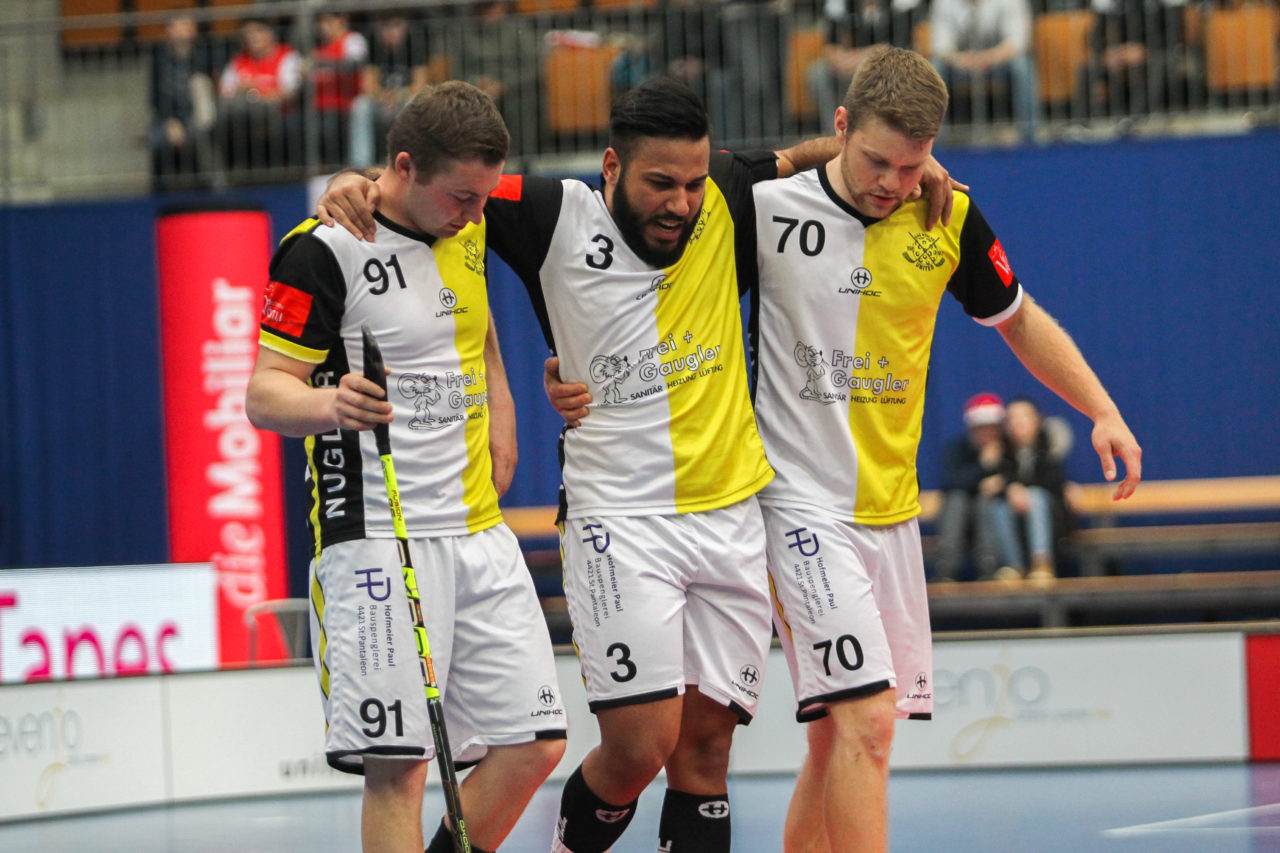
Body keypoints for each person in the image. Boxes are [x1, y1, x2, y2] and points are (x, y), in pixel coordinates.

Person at [316, 76, 959, 853]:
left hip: (729, 516)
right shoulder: (549, 213)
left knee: (705, 752)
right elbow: (438, 188)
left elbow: (822, 152)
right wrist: (355, 184)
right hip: (618, 518)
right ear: (613, 167)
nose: (681, 203)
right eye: (661, 183)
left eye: (692, 183)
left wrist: (909, 166)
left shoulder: (726, 190)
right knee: (640, 745)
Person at [547, 47, 1140, 852]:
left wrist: (1102, 407)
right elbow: (648, 288)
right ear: (839, 128)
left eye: (911, 163)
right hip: (794, 503)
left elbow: (1018, 316)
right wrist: (570, 369)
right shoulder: (762, 209)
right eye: (875, 160)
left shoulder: (948, 217)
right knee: (865, 721)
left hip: (889, 513)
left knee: (837, 738)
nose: (892, 182)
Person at [244, 81, 567, 853]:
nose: (475, 213)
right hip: (378, 539)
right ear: (402, 166)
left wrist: (504, 402)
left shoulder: (466, 226)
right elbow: (262, 394)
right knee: (402, 766)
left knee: (536, 742)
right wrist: (329, 406)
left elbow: (474, 323)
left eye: (484, 197)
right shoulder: (322, 249)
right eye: (461, 196)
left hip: (477, 530)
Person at [930, 0, 1041, 142]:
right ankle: (934, 141)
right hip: (961, 65)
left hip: (999, 63)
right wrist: (961, 60)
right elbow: (940, 47)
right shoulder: (944, 3)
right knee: (935, 69)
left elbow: (1017, 42)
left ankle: (1029, 135)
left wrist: (989, 57)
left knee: (1021, 66)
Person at [991, 395, 1075, 582]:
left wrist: (1021, 489)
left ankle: (1042, 562)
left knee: (1036, 496)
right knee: (998, 505)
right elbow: (1001, 481)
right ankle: (1014, 565)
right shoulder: (1003, 453)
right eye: (1012, 418)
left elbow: (1053, 483)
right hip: (1018, 521)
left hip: (1051, 522)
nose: (1018, 423)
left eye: (1024, 417)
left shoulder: (1049, 448)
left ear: (1037, 420)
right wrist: (1010, 488)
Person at [932, 392, 1013, 582]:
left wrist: (1001, 484)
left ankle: (990, 567)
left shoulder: (1009, 450)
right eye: (981, 428)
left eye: (992, 428)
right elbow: (951, 483)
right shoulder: (957, 449)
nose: (987, 434)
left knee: (986, 502)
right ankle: (946, 569)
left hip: (996, 522)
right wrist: (983, 467)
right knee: (957, 500)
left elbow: (1018, 479)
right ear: (972, 428)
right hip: (960, 521)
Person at [807, 0, 925, 126]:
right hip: (849, 68)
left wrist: (863, 57)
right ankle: (835, 132)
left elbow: (900, 46)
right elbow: (830, 46)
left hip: (886, 68)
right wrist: (841, 58)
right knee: (818, 72)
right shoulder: (841, 5)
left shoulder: (899, 6)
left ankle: (887, 130)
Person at [349, 12, 433, 168]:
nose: (391, 32)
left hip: (404, 102)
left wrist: (398, 95)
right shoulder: (375, 46)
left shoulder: (414, 46)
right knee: (360, 104)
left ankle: (407, 161)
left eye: (396, 26)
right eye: (385, 27)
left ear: (405, 26)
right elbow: (368, 85)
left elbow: (421, 85)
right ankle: (360, 166)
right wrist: (382, 96)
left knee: (414, 102)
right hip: (381, 103)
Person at [217, 18, 302, 170]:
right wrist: (241, 90)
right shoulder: (239, 60)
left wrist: (257, 93)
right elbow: (225, 92)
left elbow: (290, 92)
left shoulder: (287, 55)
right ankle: (233, 167)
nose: (252, 37)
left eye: (257, 31)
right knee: (227, 111)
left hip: (277, 112)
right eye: (247, 33)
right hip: (243, 114)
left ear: (271, 33)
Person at [148, 13, 218, 188]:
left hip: (199, 115)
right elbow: (155, 97)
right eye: (176, 27)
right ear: (168, 31)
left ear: (193, 30)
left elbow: (211, 92)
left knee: (201, 133)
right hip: (169, 117)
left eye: (186, 26)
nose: (181, 32)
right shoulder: (160, 60)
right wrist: (170, 121)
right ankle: (160, 189)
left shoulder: (205, 56)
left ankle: (209, 185)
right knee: (157, 137)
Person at [308, 10, 369, 165]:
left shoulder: (352, 40)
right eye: (321, 23)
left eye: (328, 22)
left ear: (342, 21)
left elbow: (353, 64)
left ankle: (336, 167)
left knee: (328, 123)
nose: (323, 27)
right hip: (318, 106)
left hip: (344, 103)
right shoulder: (319, 48)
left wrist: (323, 62)